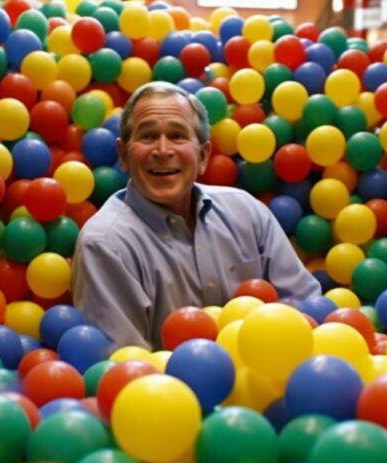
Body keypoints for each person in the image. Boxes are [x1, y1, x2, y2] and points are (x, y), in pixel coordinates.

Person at [72, 82, 321, 350]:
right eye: (147, 136)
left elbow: (306, 310)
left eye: (178, 136)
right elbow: (127, 365)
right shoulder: (105, 244)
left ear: (203, 156)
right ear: (123, 155)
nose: (163, 150)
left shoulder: (246, 212)